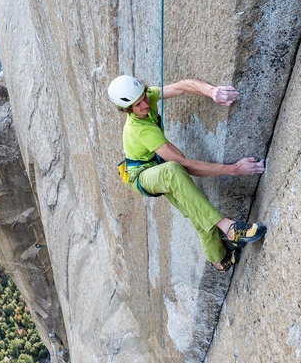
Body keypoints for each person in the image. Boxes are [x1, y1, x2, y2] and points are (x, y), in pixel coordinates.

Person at [108, 75, 267, 272]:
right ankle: (229, 227)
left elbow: (183, 86)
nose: (145, 104)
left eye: (144, 97)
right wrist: (235, 169)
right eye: (138, 104)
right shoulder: (141, 130)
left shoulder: (147, 97)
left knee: (194, 207)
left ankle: (219, 259)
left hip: (160, 168)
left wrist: (212, 91)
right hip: (141, 176)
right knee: (172, 170)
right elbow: (184, 164)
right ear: (127, 109)